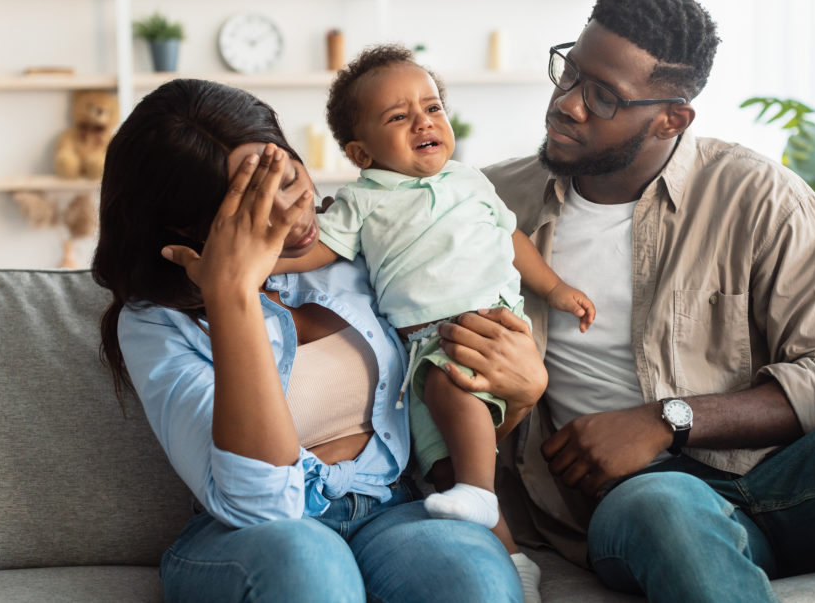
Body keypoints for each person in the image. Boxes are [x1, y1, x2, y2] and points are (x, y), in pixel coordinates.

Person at [480, 0, 815, 601]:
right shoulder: (488, 207)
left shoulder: (761, 199)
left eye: (603, 96)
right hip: (641, 502)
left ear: (672, 118)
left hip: (796, 486)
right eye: (569, 73)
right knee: (663, 503)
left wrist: (666, 419)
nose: (568, 103)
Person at [91, 78, 549, 602]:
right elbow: (259, 505)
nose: (298, 207)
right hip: (258, 539)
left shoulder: (361, 250)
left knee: (476, 576)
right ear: (193, 229)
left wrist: (521, 394)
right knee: (313, 567)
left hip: (392, 511)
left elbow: (443, 423)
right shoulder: (154, 323)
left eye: (289, 174)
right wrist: (233, 294)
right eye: (256, 203)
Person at [272, 44, 593, 600]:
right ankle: (511, 554)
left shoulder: (470, 182)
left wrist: (556, 289)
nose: (424, 121)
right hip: (418, 346)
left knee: (453, 393)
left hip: (483, 325)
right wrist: (255, 267)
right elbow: (318, 249)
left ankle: (480, 493)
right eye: (398, 117)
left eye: (433, 107)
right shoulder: (362, 200)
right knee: (438, 472)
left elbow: (511, 239)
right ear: (361, 152)